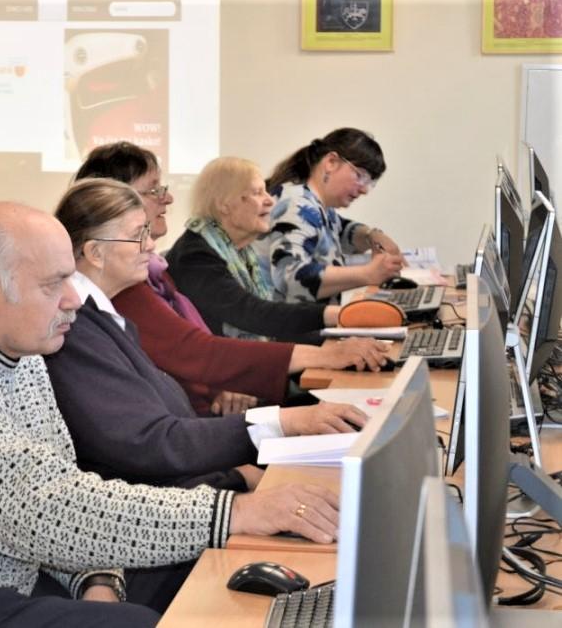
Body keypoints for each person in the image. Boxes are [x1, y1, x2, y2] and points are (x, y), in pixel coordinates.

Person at [0, 202, 341, 626]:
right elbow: (40, 509)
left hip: (12, 564)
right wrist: (235, 513)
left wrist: (98, 578)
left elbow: (55, 485)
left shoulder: (16, 345)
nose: (74, 299)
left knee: (202, 583)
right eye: (54, 284)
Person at [46, 178, 370, 493]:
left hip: (194, 480)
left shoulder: (106, 317)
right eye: (137, 236)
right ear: (95, 253)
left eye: (146, 231)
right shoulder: (78, 329)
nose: (151, 244)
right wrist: (277, 429)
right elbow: (151, 444)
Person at [73, 141, 391, 415]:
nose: (167, 199)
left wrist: (343, 340)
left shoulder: (205, 259)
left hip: (218, 398)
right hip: (208, 411)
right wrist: (335, 340)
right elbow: (204, 345)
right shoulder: (157, 272)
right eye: (155, 190)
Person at [165, 156, 338, 342]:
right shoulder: (196, 255)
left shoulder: (237, 250)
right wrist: (334, 315)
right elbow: (252, 314)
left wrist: (333, 340)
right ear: (224, 204)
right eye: (257, 192)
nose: (270, 200)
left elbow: (267, 327)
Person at [258, 127, 405, 303]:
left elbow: (341, 230)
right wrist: (368, 274)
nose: (364, 189)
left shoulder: (315, 203)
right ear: (331, 162)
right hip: (285, 326)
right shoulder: (296, 204)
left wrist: (371, 236)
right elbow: (290, 277)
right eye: (360, 176)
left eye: (369, 182)